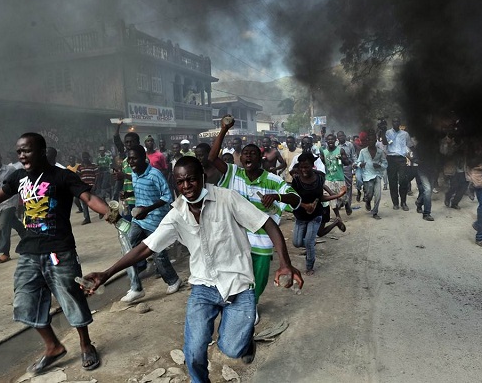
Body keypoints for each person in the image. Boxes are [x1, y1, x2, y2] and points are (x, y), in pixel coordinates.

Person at [82, 156, 303, 383]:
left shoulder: (227, 199)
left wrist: (285, 263)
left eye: (191, 180)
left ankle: (245, 342)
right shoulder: (177, 214)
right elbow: (146, 248)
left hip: (238, 284)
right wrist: (106, 273)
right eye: (180, 182)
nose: (186, 186)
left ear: (203, 178)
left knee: (231, 348)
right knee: (194, 352)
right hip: (203, 287)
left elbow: (267, 223)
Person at [0, 132, 113, 373]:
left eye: (27, 150)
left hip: (59, 251)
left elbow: (89, 196)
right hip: (29, 252)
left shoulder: (62, 176)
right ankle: (52, 346)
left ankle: (85, 345)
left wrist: (110, 213)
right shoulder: (18, 177)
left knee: (71, 297)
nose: (22, 155)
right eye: (19, 151)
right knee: (25, 301)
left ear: (42, 151)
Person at [209, 117, 301, 323]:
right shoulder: (233, 173)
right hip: (235, 238)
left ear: (260, 158)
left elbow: (295, 198)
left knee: (256, 280)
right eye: (245, 154)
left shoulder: (273, 180)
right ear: (241, 159)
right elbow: (212, 158)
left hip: (262, 242)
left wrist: (277, 197)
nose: (248, 156)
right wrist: (223, 129)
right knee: (234, 276)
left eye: (253, 154)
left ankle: (252, 304)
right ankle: (235, 304)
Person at [119, 145, 182, 303]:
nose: (131, 162)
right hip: (138, 219)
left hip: (155, 220)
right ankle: (136, 288)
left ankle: (173, 280)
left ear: (143, 158)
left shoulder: (155, 174)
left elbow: (167, 196)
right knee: (128, 247)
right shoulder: (134, 174)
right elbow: (141, 190)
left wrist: (148, 209)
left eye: (134, 158)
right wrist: (128, 193)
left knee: (158, 255)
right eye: (129, 159)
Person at [291, 152, 346, 275]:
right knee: (297, 243)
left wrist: (337, 195)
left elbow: (320, 197)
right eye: (302, 167)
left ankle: (309, 266)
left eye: (307, 167)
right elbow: (292, 199)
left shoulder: (320, 177)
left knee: (309, 242)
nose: (304, 170)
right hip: (300, 216)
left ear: (313, 166)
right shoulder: (296, 180)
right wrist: (305, 206)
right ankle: (336, 222)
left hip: (315, 215)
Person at [356, 130, 388, 220]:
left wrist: (380, 165)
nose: (371, 142)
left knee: (378, 194)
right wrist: (360, 165)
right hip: (367, 176)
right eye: (369, 140)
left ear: (375, 141)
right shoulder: (363, 151)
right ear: (367, 141)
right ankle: (367, 201)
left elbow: (385, 164)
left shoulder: (380, 152)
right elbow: (358, 162)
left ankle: (375, 212)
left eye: (372, 140)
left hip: (377, 175)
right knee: (369, 194)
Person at [383, 118, 413, 211]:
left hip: (401, 159)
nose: (396, 123)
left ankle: (403, 202)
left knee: (403, 180)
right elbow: (384, 142)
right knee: (392, 181)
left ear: (399, 123)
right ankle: (395, 203)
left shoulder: (405, 134)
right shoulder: (387, 133)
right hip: (391, 158)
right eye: (394, 121)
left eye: (397, 121)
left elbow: (410, 145)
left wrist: (412, 158)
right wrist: (382, 131)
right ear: (392, 123)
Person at [320, 134, 350, 220]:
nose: (330, 141)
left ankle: (346, 203)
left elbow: (347, 162)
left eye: (332, 139)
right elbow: (322, 163)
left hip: (339, 177)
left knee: (342, 197)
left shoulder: (340, 150)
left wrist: (340, 159)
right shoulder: (324, 152)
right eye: (328, 140)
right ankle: (338, 215)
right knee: (331, 198)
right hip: (329, 178)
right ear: (326, 141)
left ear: (335, 140)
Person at [113, 123, 140, 220]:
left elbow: (142, 179)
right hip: (128, 201)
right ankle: (113, 212)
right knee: (128, 228)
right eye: (127, 142)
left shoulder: (143, 160)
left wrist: (124, 175)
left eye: (131, 142)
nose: (129, 144)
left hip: (140, 201)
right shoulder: (124, 161)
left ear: (137, 143)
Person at [337, 131, 357, 214]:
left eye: (342, 136)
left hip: (347, 168)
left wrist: (355, 164)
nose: (341, 137)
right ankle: (340, 202)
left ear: (345, 136)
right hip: (338, 167)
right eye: (339, 136)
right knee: (339, 185)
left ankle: (347, 204)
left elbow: (353, 156)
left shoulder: (350, 145)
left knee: (348, 186)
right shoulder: (335, 145)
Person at [77, 152, 99, 225]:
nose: (85, 159)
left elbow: (97, 176)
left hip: (92, 186)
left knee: (95, 201)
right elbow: (78, 176)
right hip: (84, 187)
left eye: (86, 157)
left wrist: (95, 185)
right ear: (82, 158)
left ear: (89, 157)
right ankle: (87, 218)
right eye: (84, 157)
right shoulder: (80, 167)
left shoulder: (94, 166)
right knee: (84, 203)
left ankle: (100, 211)